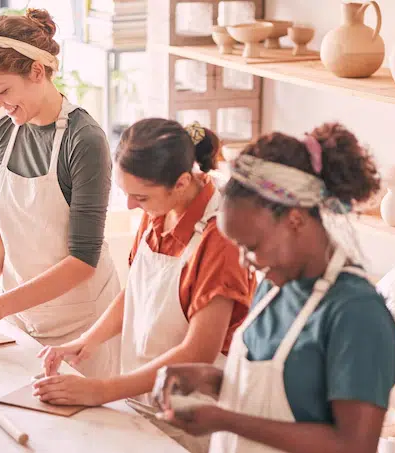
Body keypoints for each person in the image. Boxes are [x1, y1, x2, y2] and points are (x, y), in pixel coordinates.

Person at [151, 123, 395, 453]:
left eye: (251, 246)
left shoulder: (357, 313)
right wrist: (207, 380)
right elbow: (284, 398)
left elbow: (353, 445)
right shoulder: (271, 288)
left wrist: (225, 420)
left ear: (294, 219)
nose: (244, 262)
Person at [33, 118, 256, 453]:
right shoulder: (160, 209)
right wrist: (86, 341)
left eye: (139, 196)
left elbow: (198, 352)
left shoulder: (221, 238)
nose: (130, 206)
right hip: (142, 403)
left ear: (181, 183)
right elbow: (136, 293)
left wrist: (101, 390)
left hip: (190, 419)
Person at [0, 9, 121, 379]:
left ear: (37, 72)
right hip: (20, 320)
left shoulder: (84, 141)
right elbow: (4, 236)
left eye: (2, 90)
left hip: (80, 327)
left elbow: (83, 261)